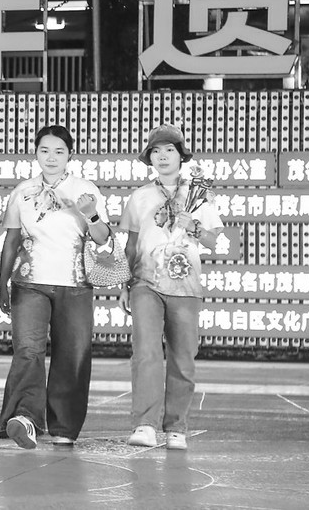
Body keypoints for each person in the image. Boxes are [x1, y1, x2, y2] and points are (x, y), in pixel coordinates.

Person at [0, 125, 111, 449]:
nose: (51, 157)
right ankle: (25, 418)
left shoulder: (84, 189)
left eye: (59, 151)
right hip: (29, 283)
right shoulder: (23, 191)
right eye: (44, 150)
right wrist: (2, 284)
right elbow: (11, 240)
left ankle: (64, 427)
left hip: (75, 284)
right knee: (27, 351)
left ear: (70, 155)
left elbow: (103, 238)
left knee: (72, 354)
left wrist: (91, 214)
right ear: (35, 153)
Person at [121, 124, 222, 451]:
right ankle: (145, 424)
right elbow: (131, 245)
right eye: (156, 151)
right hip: (145, 283)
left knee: (183, 356)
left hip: (185, 284)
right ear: (149, 158)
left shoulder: (200, 194)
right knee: (146, 353)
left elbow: (216, 241)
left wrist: (193, 226)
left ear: (181, 156)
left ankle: (176, 427)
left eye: (169, 150)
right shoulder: (140, 197)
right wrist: (124, 284)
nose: (162, 156)